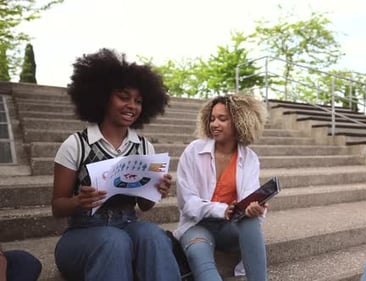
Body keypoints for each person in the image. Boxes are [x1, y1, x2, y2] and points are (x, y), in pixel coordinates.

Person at [51, 48, 181, 281]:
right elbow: (57, 207)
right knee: (114, 241)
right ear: (103, 97)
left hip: (128, 225)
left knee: (153, 234)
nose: (132, 105)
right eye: (123, 97)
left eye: (138, 101)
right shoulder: (77, 144)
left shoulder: (143, 146)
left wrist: (156, 190)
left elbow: (145, 206)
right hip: (82, 234)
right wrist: (78, 201)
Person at [174, 93, 269, 281]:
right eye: (212, 119)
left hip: (230, 228)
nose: (214, 124)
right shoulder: (193, 151)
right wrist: (222, 210)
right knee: (200, 255)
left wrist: (255, 208)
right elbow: (187, 202)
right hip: (197, 224)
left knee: (249, 220)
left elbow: (250, 197)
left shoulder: (250, 158)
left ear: (240, 122)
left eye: (222, 119)